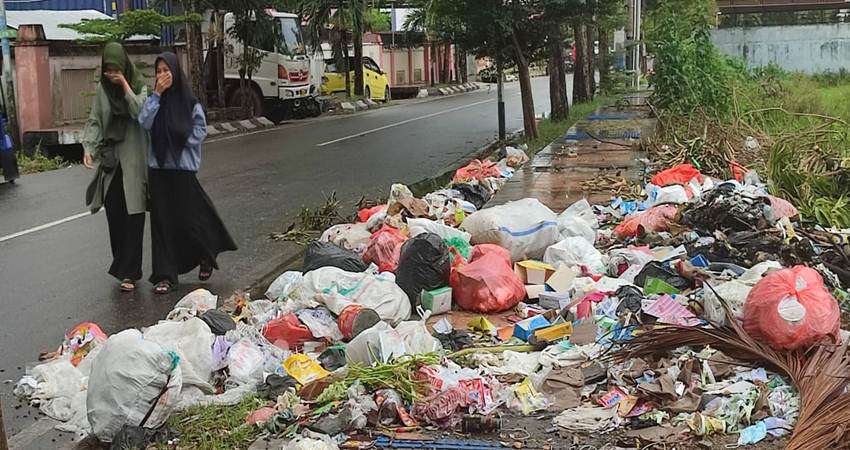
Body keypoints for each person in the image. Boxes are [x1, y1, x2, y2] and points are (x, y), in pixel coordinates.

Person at [139, 52, 237, 294]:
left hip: (182, 170)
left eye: (166, 70)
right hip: (159, 169)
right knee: (162, 224)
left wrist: (179, 142)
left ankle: (205, 254)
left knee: (189, 220)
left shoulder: (190, 102)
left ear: (175, 71)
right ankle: (164, 276)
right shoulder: (155, 101)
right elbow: (143, 122)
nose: (162, 75)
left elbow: (200, 130)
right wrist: (157, 95)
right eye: (158, 71)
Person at [83, 42, 149, 292]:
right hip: (112, 163)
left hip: (133, 161)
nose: (111, 74)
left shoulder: (139, 84)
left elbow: (141, 113)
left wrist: (124, 85)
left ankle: (131, 272)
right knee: (115, 215)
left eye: (116, 69)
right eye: (108, 70)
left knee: (134, 215)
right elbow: (96, 119)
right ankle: (122, 267)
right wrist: (89, 147)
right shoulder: (103, 89)